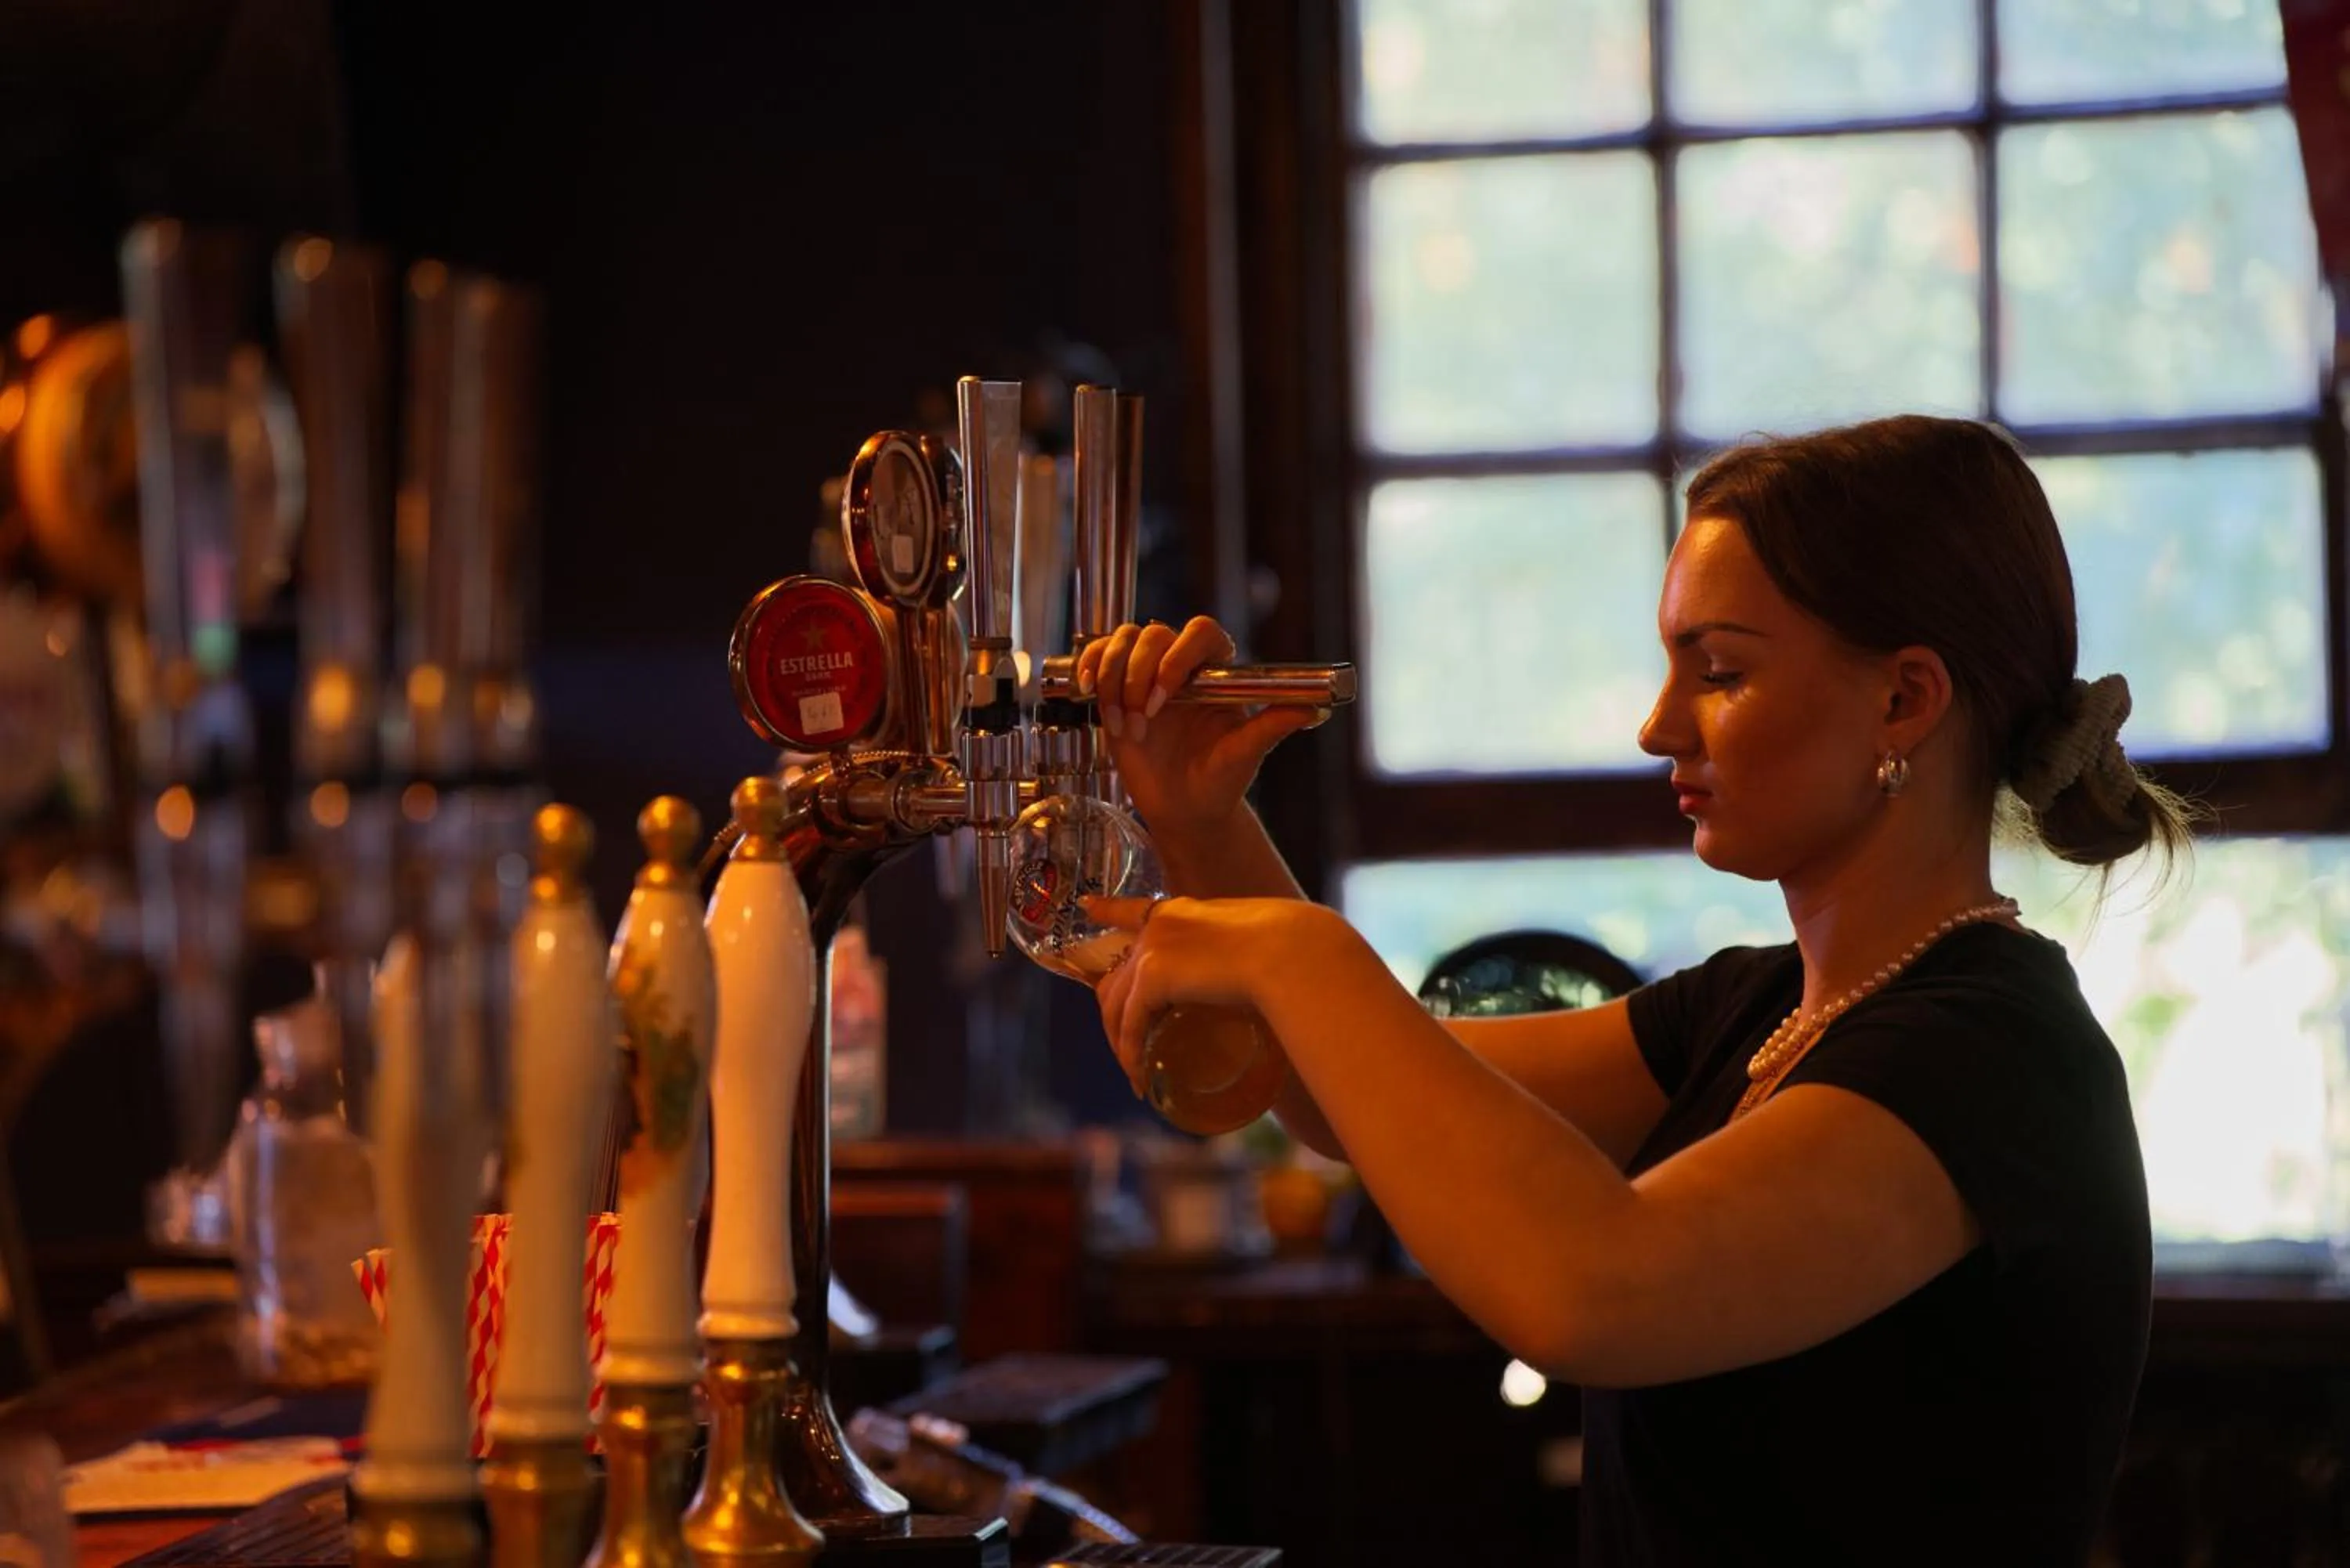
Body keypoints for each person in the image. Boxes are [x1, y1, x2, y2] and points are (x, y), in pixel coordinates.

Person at [1072, 414, 2188, 1566]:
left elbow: (1588, 1291)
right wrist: (1200, 816)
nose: (1657, 725)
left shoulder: (1994, 1057)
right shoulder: (1757, 1011)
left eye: (1721, 672)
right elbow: (1339, 1097)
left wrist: (1298, 954)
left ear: (1904, 700)